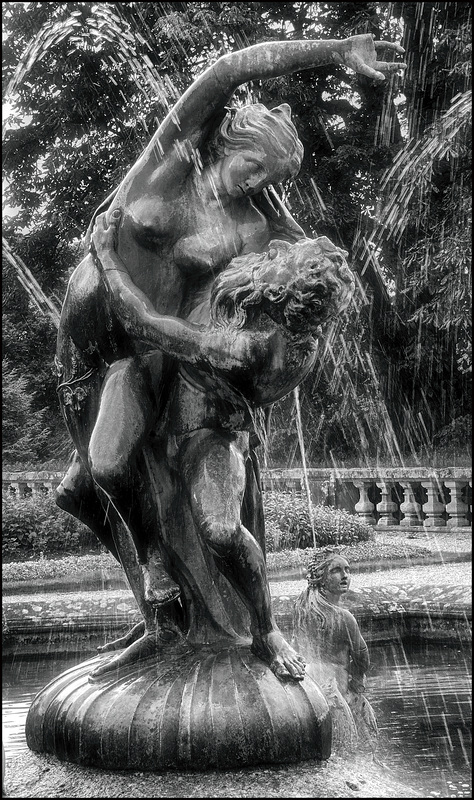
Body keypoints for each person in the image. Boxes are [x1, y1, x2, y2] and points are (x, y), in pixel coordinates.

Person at [55, 33, 405, 656]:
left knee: (121, 480)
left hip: (167, 359)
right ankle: (157, 572)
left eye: (274, 179)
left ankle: (205, 616)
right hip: (96, 350)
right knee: (91, 483)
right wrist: (336, 50)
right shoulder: (174, 158)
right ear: (231, 143)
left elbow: (305, 280)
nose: (262, 184)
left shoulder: (256, 224)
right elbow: (228, 69)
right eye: (257, 168)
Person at [88, 209, 354, 679]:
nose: (272, 250)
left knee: (220, 529)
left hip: (207, 425)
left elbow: (141, 318)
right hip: (148, 381)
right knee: (95, 475)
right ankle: (153, 563)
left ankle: (266, 629)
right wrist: (265, 195)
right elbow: (291, 234)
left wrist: (108, 256)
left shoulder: (243, 344)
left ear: (277, 295)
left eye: (277, 260)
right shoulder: (298, 304)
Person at [293, 547, 378, 751]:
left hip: (309, 688)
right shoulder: (343, 618)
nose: (345, 576)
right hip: (336, 691)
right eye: (336, 570)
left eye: (347, 570)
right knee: (360, 750)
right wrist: (356, 682)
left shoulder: (302, 609)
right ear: (321, 578)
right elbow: (363, 658)